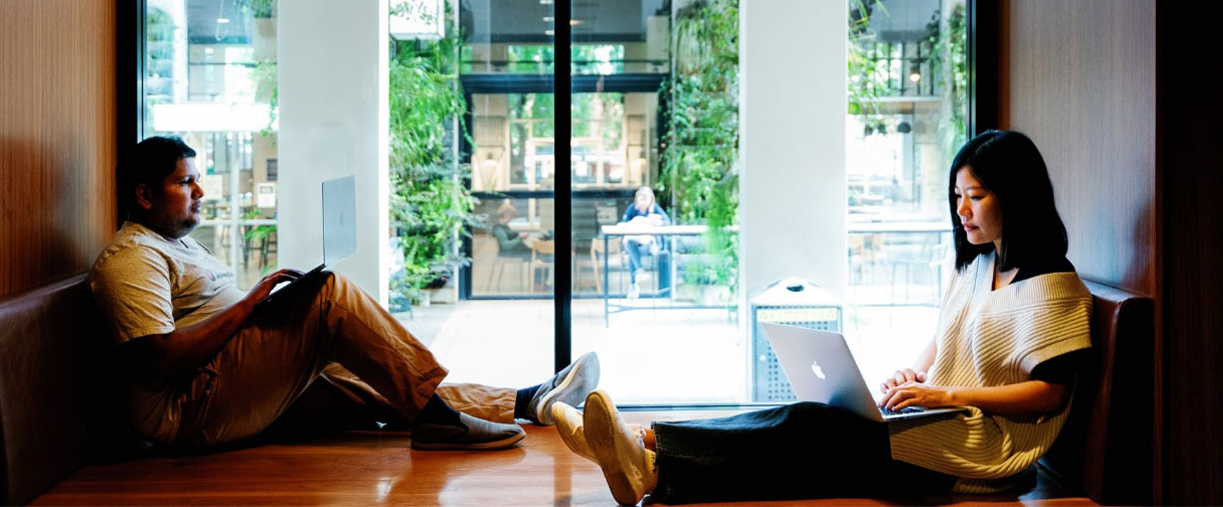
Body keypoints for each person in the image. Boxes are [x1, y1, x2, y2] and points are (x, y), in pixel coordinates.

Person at [551, 130, 1093, 504]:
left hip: (984, 451)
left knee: (812, 433)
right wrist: (915, 376)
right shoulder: (978, 267)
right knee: (811, 426)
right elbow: (944, 339)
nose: (962, 210)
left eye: (975, 195)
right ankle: (647, 452)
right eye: (957, 195)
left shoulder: (1052, 283)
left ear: (1016, 197)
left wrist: (947, 396)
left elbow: (1051, 394)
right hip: (943, 422)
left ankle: (648, 451)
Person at [89, 136, 601, 451]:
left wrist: (265, 308)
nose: (200, 192)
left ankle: (530, 401)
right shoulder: (133, 257)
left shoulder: (177, 243)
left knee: (368, 376)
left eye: (197, 181)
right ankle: (439, 423)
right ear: (144, 195)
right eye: (186, 183)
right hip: (189, 411)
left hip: (220, 383)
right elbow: (155, 362)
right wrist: (252, 304)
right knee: (329, 295)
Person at [620, 186, 670, 299]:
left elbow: (667, 221)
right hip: (634, 243)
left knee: (632, 256)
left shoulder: (655, 209)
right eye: (641, 199)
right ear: (637, 200)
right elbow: (624, 223)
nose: (643, 202)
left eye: (646, 200)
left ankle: (635, 281)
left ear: (651, 200)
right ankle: (639, 271)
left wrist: (656, 222)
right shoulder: (632, 209)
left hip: (650, 245)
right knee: (629, 244)